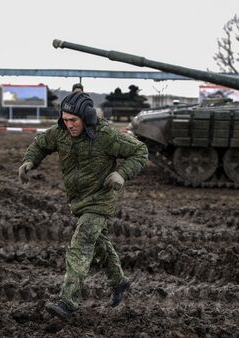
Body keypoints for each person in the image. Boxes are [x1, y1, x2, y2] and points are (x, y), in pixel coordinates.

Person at [18, 91, 148, 319]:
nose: (69, 125)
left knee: (81, 244)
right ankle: (119, 282)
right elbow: (40, 143)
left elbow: (140, 151)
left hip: (101, 200)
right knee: (99, 243)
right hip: (79, 201)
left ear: (86, 118)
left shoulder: (106, 135)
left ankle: (67, 303)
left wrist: (122, 173)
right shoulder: (60, 133)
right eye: (65, 120)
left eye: (73, 120)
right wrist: (30, 161)